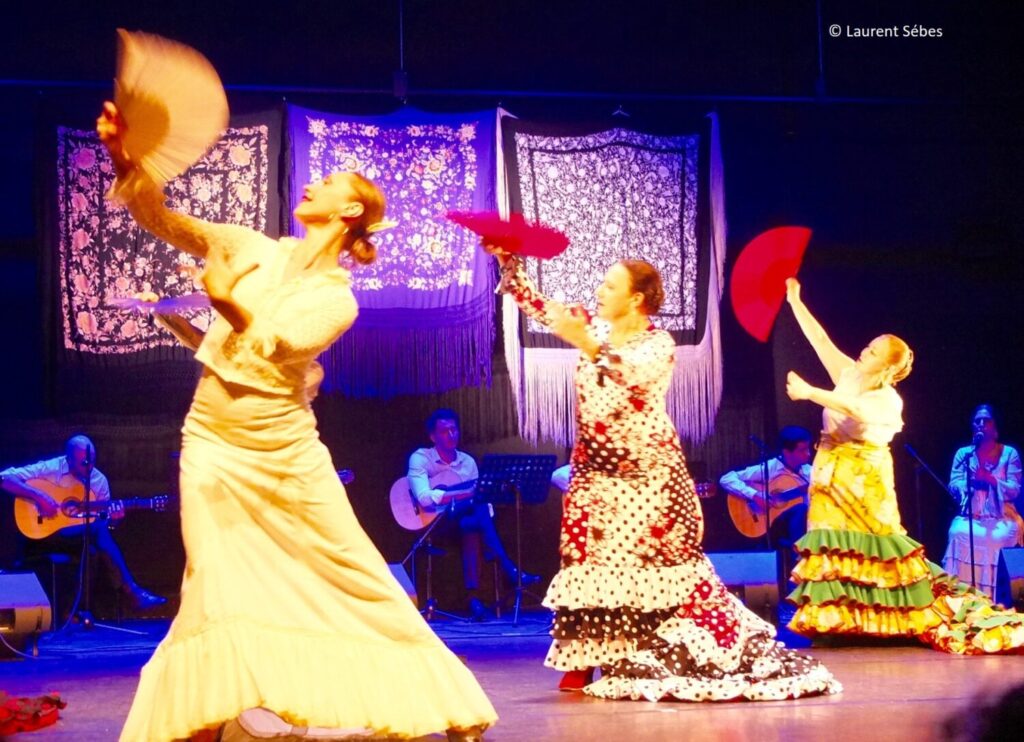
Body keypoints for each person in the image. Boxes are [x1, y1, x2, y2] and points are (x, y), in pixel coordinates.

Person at [97, 102, 495, 741]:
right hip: (211, 438)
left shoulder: (337, 300)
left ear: (349, 213)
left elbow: (275, 347)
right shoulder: (250, 246)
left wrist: (225, 298)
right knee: (211, 566)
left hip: (283, 447)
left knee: (348, 564)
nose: (311, 182)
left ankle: (442, 698)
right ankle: (222, 702)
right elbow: (160, 218)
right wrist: (126, 159)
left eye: (329, 183)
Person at [489, 245, 840, 701]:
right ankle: (586, 658)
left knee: (645, 569)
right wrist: (507, 261)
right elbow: (540, 305)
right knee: (592, 565)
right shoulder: (593, 328)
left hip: (646, 479)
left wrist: (590, 343)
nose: (599, 290)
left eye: (610, 285)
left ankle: (646, 653)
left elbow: (630, 377)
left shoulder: (658, 344)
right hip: (594, 476)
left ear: (636, 299)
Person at [783, 277, 1024, 654]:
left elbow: (857, 409)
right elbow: (820, 341)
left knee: (875, 548)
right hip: (831, 473)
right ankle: (838, 620)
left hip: (865, 482)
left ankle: (886, 618)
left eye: (874, 351)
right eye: (869, 345)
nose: (865, 350)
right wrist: (795, 301)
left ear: (887, 367)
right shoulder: (849, 374)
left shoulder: (888, 400)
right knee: (831, 546)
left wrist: (810, 392)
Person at [0, 435, 166, 610]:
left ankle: (77, 613)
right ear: (68, 458)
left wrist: (114, 520)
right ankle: (132, 591)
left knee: (94, 545)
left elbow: (105, 523)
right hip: (45, 534)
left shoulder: (99, 481)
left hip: (77, 538)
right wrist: (39, 496)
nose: (89, 467)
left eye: (91, 461)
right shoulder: (51, 468)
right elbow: (4, 478)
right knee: (95, 533)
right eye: (82, 463)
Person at [407, 408, 539, 621]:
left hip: (463, 524)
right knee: (474, 506)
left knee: (472, 522)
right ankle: (510, 571)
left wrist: (477, 500)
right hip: (435, 523)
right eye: (444, 432)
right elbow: (423, 498)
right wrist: (462, 495)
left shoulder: (467, 462)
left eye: (454, 430)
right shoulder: (421, 458)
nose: (451, 435)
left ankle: (474, 600)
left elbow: (481, 498)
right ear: (433, 436)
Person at [942, 404, 1022, 599]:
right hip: (972, 515)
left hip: (1002, 516)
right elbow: (954, 483)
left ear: (995, 427)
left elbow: (1014, 488)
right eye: (976, 421)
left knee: (995, 538)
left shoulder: (1009, 453)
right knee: (957, 532)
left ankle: (993, 598)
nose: (979, 424)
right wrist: (968, 485)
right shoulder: (964, 454)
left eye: (985, 420)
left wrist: (990, 479)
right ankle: (961, 598)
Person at [718, 425, 813, 548]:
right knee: (800, 509)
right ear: (786, 452)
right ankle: (799, 554)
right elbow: (726, 479)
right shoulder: (771, 468)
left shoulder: (811, 473)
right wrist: (754, 495)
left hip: (804, 525)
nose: (808, 454)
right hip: (775, 526)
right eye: (802, 450)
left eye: (808, 448)